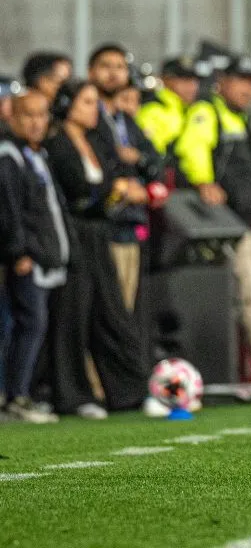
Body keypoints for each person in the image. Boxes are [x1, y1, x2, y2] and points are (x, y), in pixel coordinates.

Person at [174, 55, 251, 383]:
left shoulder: (238, 118)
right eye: (240, 80)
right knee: (250, 296)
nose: (247, 89)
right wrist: (203, 180)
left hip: (238, 224)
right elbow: (192, 147)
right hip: (218, 224)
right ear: (221, 82)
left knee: (250, 297)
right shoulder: (207, 112)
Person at [45, 79, 148, 418]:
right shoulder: (57, 143)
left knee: (113, 312)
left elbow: (109, 182)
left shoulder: (93, 140)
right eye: (87, 102)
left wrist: (116, 190)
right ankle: (74, 396)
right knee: (74, 315)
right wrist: (114, 190)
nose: (95, 109)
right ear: (67, 106)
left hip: (99, 231)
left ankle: (129, 391)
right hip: (74, 233)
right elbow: (77, 190)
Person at [0, 90, 69, 422]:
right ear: (11, 117)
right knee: (28, 324)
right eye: (28, 115)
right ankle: (16, 396)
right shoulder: (8, 156)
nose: (36, 122)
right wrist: (18, 252)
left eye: (42, 115)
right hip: (27, 258)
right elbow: (9, 210)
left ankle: (21, 393)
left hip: (44, 256)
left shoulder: (37, 156)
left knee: (34, 325)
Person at [87, 44, 164, 316]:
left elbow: (155, 162)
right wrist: (121, 183)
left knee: (126, 310)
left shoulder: (126, 121)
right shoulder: (90, 118)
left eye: (119, 67)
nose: (113, 73)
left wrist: (138, 161)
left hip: (132, 224)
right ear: (91, 71)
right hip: (103, 225)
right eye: (106, 66)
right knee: (104, 312)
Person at [136, 56, 200, 159]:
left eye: (194, 80)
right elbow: (150, 154)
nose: (191, 86)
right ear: (165, 79)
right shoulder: (153, 110)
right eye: (184, 80)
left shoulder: (191, 109)